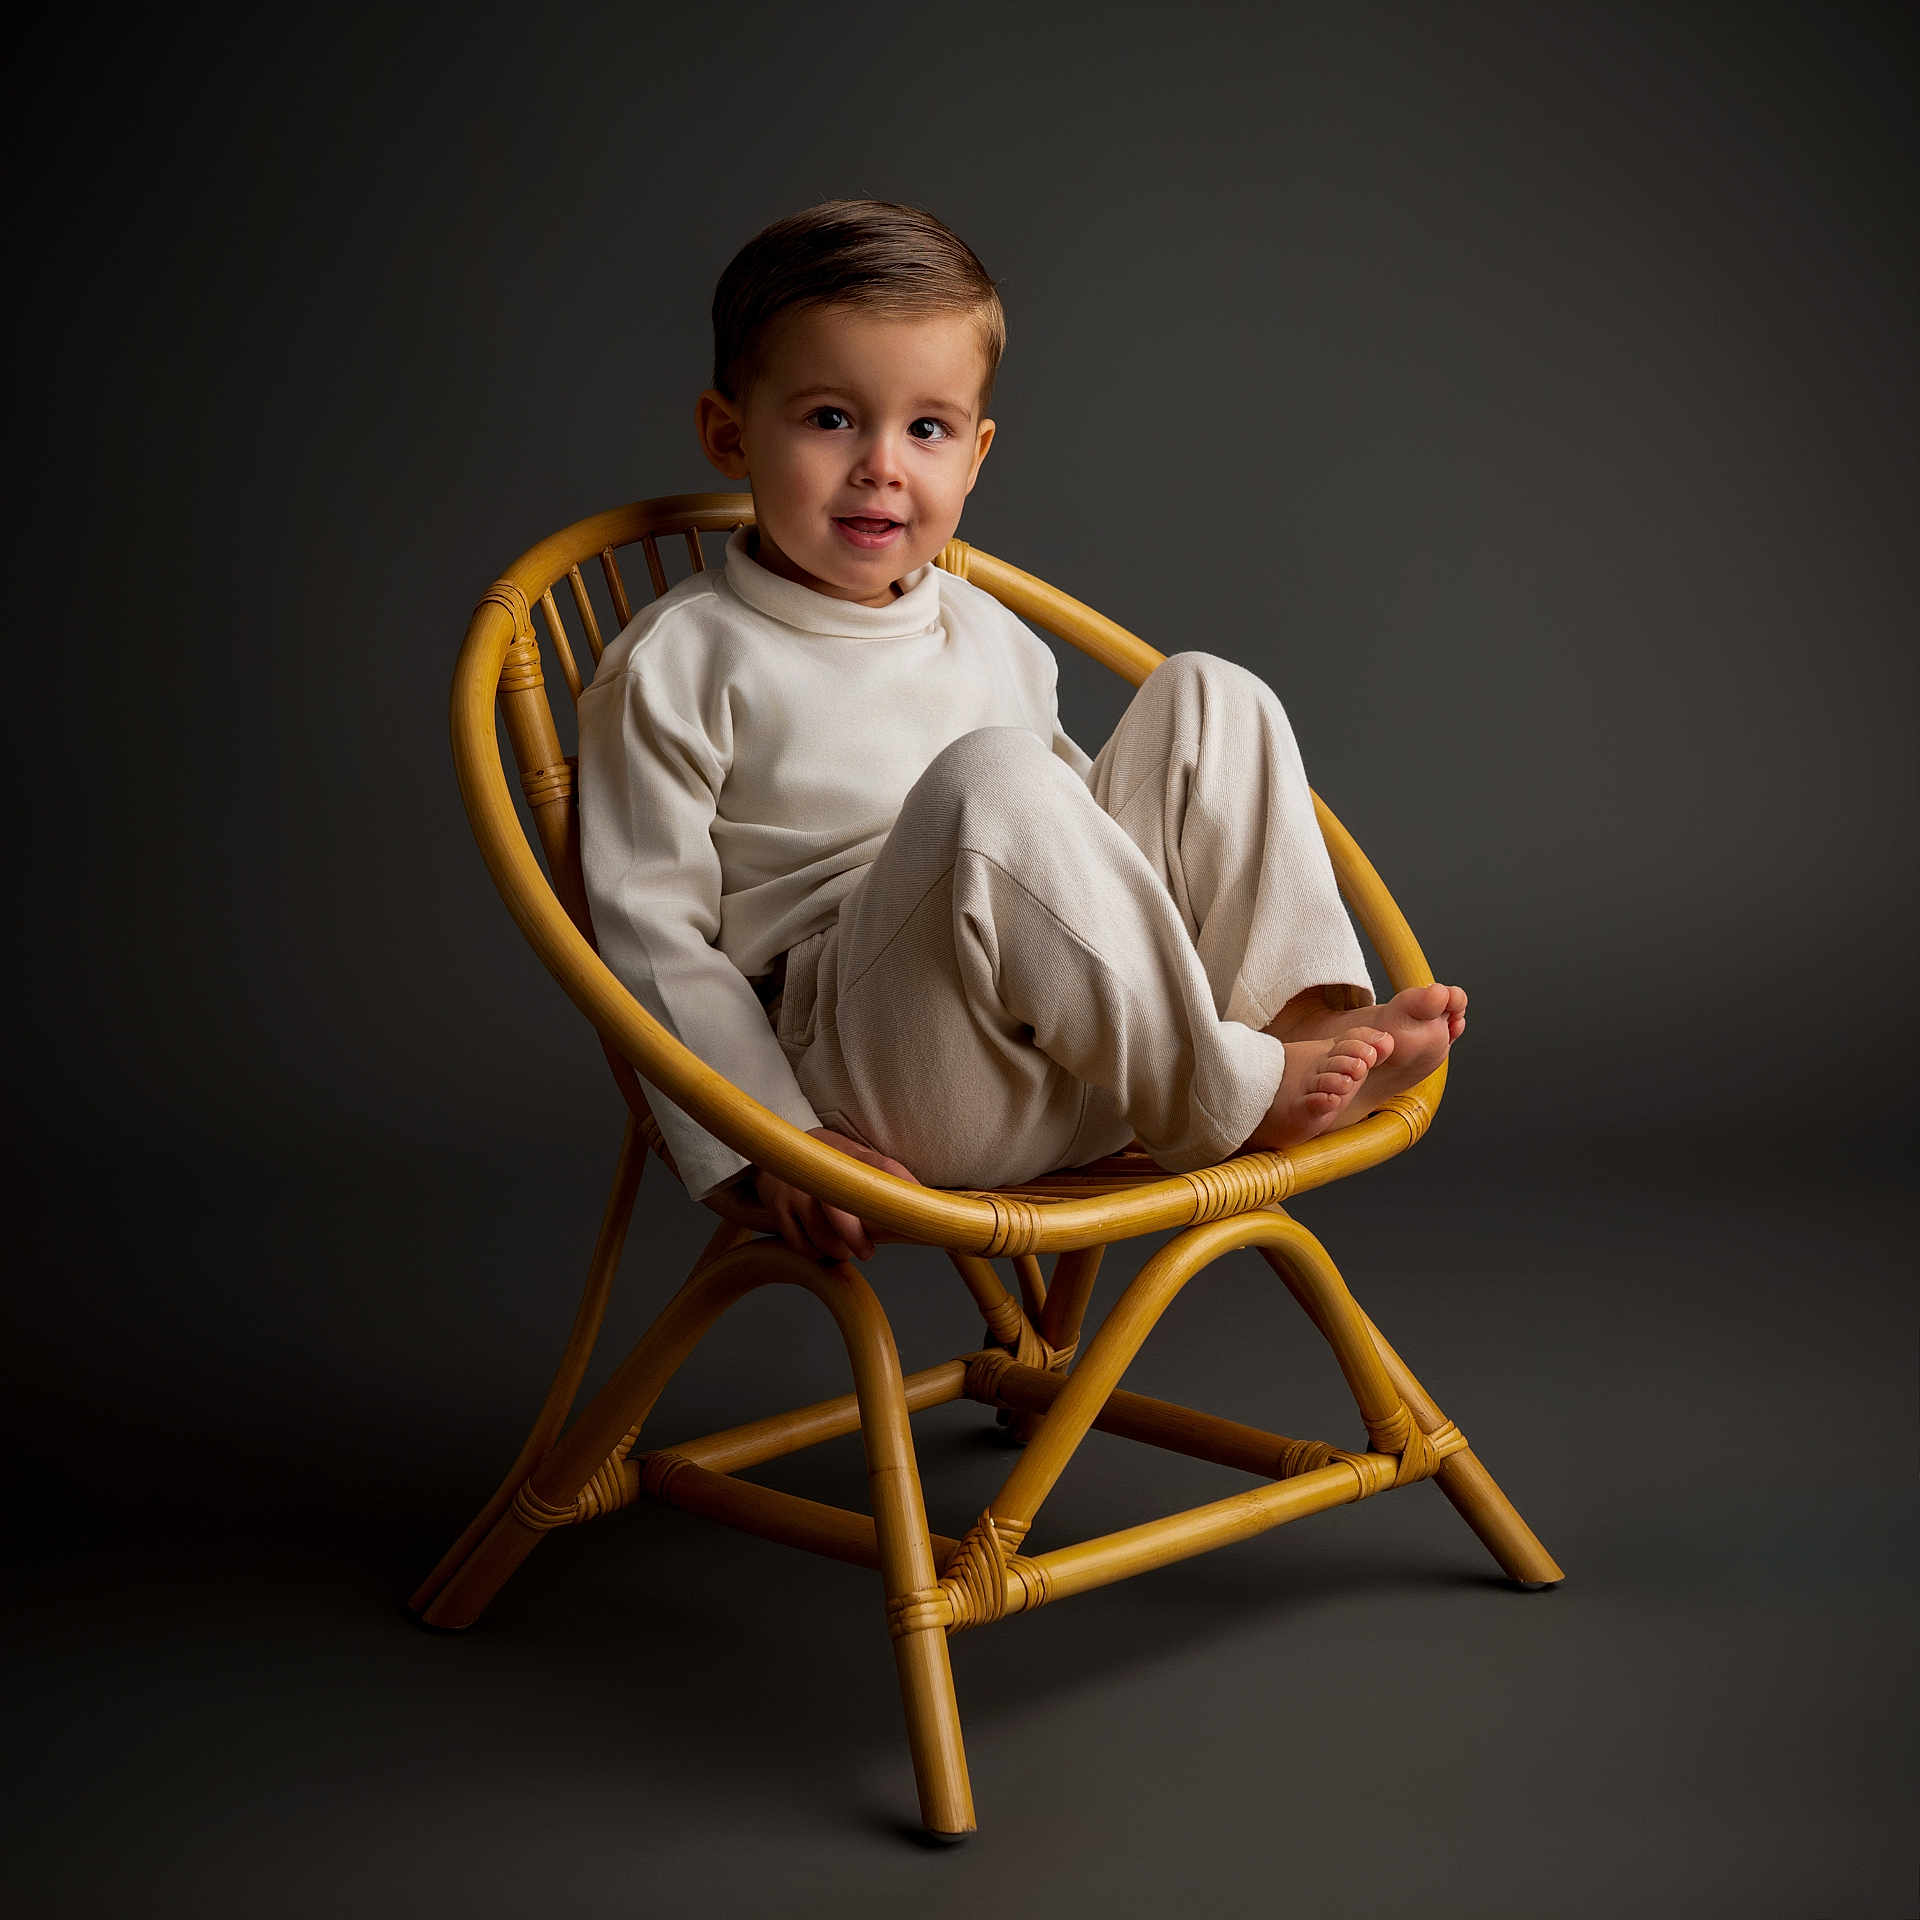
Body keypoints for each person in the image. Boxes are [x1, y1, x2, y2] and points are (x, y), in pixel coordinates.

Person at [577, 199, 1466, 1264]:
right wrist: (775, 1142)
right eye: (829, 419)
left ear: (977, 454)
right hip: (876, 1084)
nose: (882, 467)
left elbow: (1070, 861)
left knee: (1208, 693)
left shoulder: (989, 632)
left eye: (927, 429)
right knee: (995, 779)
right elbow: (647, 937)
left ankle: (1289, 1021)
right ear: (730, 434)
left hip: (1087, 1070)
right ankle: (1234, 1088)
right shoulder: (680, 661)